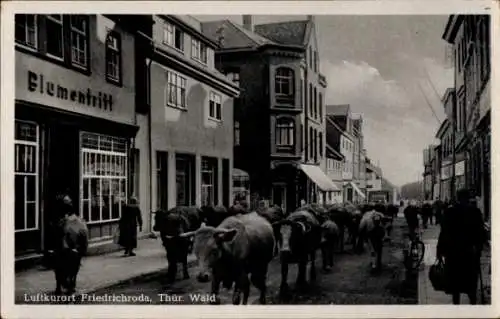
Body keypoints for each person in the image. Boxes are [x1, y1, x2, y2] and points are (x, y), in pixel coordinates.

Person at [436, 189, 485, 305]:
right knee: (471, 283)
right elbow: (480, 234)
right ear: (468, 198)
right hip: (469, 253)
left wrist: (439, 250)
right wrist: (479, 249)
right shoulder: (475, 212)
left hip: (453, 253)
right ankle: (473, 305)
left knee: (455, 285)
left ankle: (456, 307)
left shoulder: (449, 212)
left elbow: (443, 233)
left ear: (457, 198)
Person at [53, 196, 89, 295]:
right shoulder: (80, 222)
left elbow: (56, 236)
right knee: (73, 268)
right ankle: (71, 286)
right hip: (74, 250)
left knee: (59, 268)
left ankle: (59, 287)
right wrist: (83, 250)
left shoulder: (61, 223)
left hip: (62, 250)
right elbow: (84, 237)